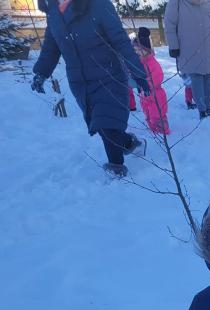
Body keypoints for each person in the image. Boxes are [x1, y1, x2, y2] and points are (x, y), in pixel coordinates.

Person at [30, 0, 149, 178]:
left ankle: (116, 170)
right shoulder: (54, 13)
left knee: (106, 124)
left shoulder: (98, 4)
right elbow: (51, 47)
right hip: (80, 83)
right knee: (101, 126)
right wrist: (41, 73)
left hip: (108, 76)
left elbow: (120, 40)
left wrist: (138, 74)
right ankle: (130, 143)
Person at [164, 0, 210, 119]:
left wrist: (173, 46)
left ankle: (205, 110)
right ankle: (205, 109)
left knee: (203, 78)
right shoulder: (178, 3)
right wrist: (173, 45)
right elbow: (170, 24)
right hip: (196, 48)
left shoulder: (201, 4)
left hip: (195, 48)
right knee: (201, 78)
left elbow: (169, 23)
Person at [132, 27, 170, 135]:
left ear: (147, 51)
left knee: (157, 114)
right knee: (147, 113)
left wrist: (147, 84)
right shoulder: (139, 64)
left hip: (155, 94)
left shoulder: (152, 63)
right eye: (135, 50)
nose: (137, 53)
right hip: (144, 95)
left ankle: (163, 132)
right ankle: (153, 130)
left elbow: (158, 76)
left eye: (140, 50)